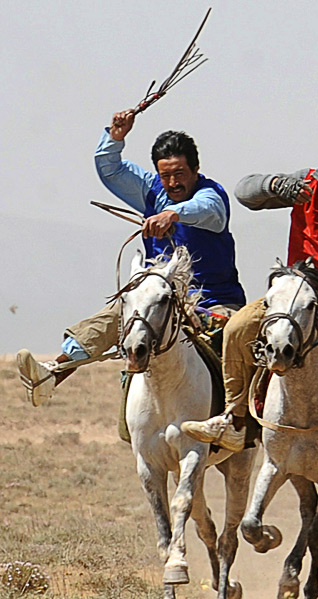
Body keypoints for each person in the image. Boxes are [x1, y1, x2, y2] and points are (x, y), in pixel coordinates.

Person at [180, 116, 318, 474]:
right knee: (238, 327)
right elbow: (244, 191)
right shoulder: (306, 184)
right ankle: (234, 419)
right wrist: (277, 185)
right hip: (298, 291)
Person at [17, 109, 245, 406]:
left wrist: (172, 214)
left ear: (196, 169)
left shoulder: (212, 195)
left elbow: (206, 210)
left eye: (180, 174)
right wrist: (115, 137)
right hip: (161, 298)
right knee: (114, 315)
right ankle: (52, 374)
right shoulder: (151, 190)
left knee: (236, 340)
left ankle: (237, 419)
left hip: (213, 301)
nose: (173, 182)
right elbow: (111, 170)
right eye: (166, 175)